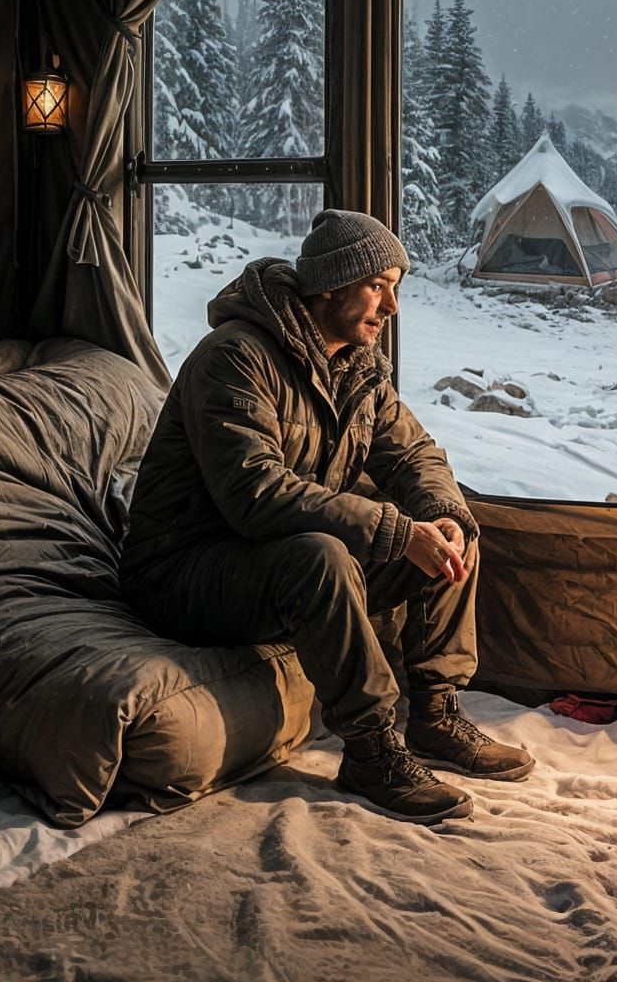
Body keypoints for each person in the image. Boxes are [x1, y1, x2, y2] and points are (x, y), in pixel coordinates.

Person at [121, 209, 534, 824]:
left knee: (453, 533)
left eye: (396, 287)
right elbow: (255, 494)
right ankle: (371, 751)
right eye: (378, 285)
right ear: (332, 285)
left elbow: (415, 454)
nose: (392, 305)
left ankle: (435, 714)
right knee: (324, 555)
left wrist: (443, 516)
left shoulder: (357, 368)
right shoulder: (234, 358)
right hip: (183, 570)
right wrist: (396, 531)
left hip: (267, 561)